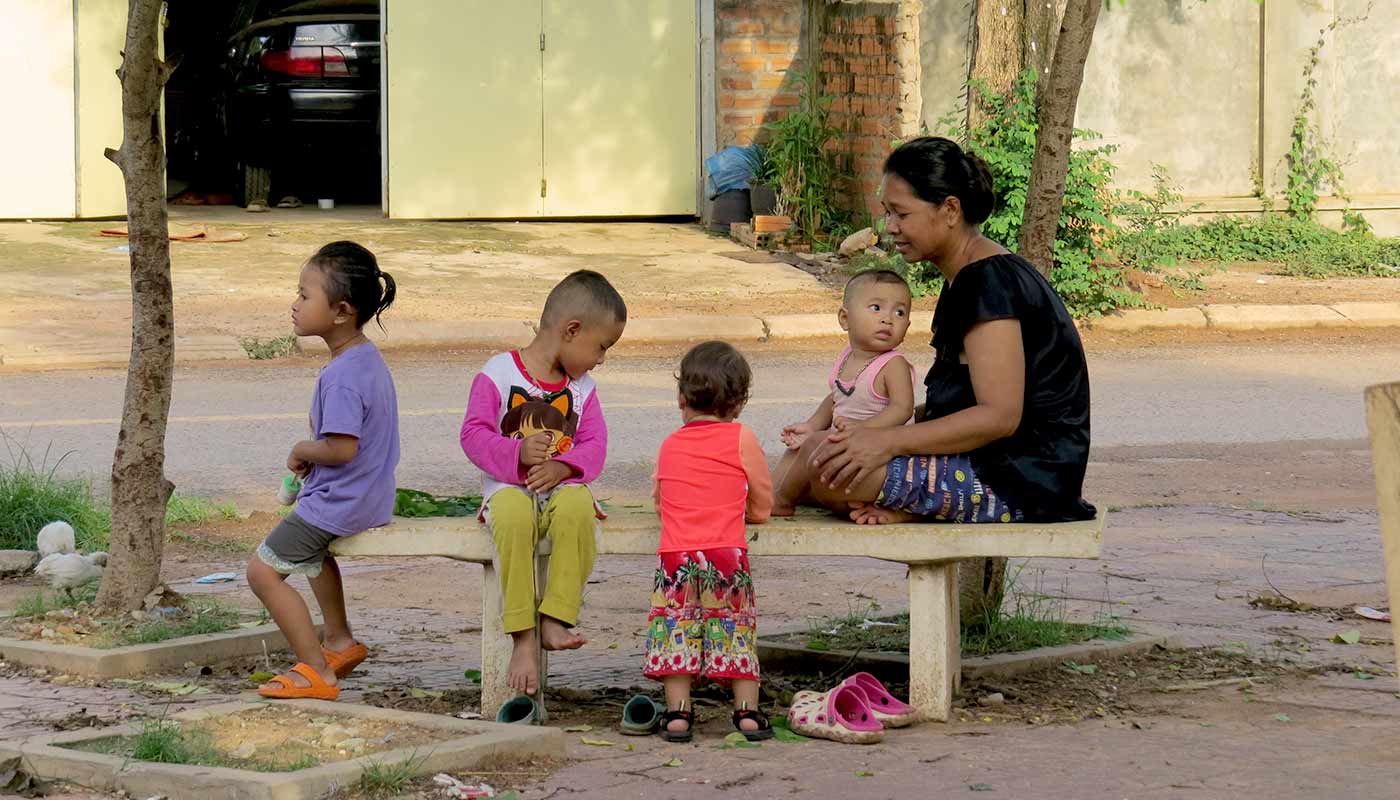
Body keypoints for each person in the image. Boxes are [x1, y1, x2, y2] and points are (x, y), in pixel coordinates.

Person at [802, 136, 1097, 525]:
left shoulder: (988, 283)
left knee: (826, 472)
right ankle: (909, 507)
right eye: (888, 213)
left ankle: (913, 508)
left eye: (901, 215)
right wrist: (872, 427)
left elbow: (999, 417)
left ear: (950, 209)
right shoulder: (968, 273)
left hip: (1021, 479)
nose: (890, 227)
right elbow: (962, 404)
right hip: (996, 463)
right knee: (824, 453)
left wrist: (887, 441)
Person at [460, 270, 627, 702]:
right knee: (513, 517)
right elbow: (473, 435)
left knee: (577, 510)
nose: (601, 360)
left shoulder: (583, 390)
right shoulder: (498, 373)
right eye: (602, 347)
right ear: (572, 330)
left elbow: (595, 446)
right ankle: (522, 638)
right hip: (508, 490)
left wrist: (565, 467)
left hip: (562, 489)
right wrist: (515, 454)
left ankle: (556, 617)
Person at [250, 241, 399, 700]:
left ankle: (316, 671)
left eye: (304, 295)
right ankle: (339, 641)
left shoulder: (341, 377)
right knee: (314, 558)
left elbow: (342, 448)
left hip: (341, 501)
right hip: (369, 495)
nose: (294, 304)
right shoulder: (365, 358)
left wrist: (303, 448)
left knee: (262, 573)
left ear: (341, 311)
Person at [645, 341, 773, 742]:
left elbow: (660, 501)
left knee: (675, 629)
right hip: (725, 554)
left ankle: (679, 714)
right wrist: (748, 512)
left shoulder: (669, 444)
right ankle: (747, 712)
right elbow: (763, 499)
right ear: (738, 404)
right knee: (735, 628)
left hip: (676, 556)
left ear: (681, 397)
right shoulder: (741, 438)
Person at [772, 269, 917, 515]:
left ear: (908, 325)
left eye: (899, 312)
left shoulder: (893, 365)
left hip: (875, 460)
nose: (888, 319)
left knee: (816, 445)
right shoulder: (847, 358)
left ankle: (781, 502)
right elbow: (836, 398)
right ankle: (771, 491)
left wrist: (863, 428)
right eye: (876, 308)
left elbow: (902, 409)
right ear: (844, 319)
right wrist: (811, 426)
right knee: (800, 447)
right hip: (846, 454)